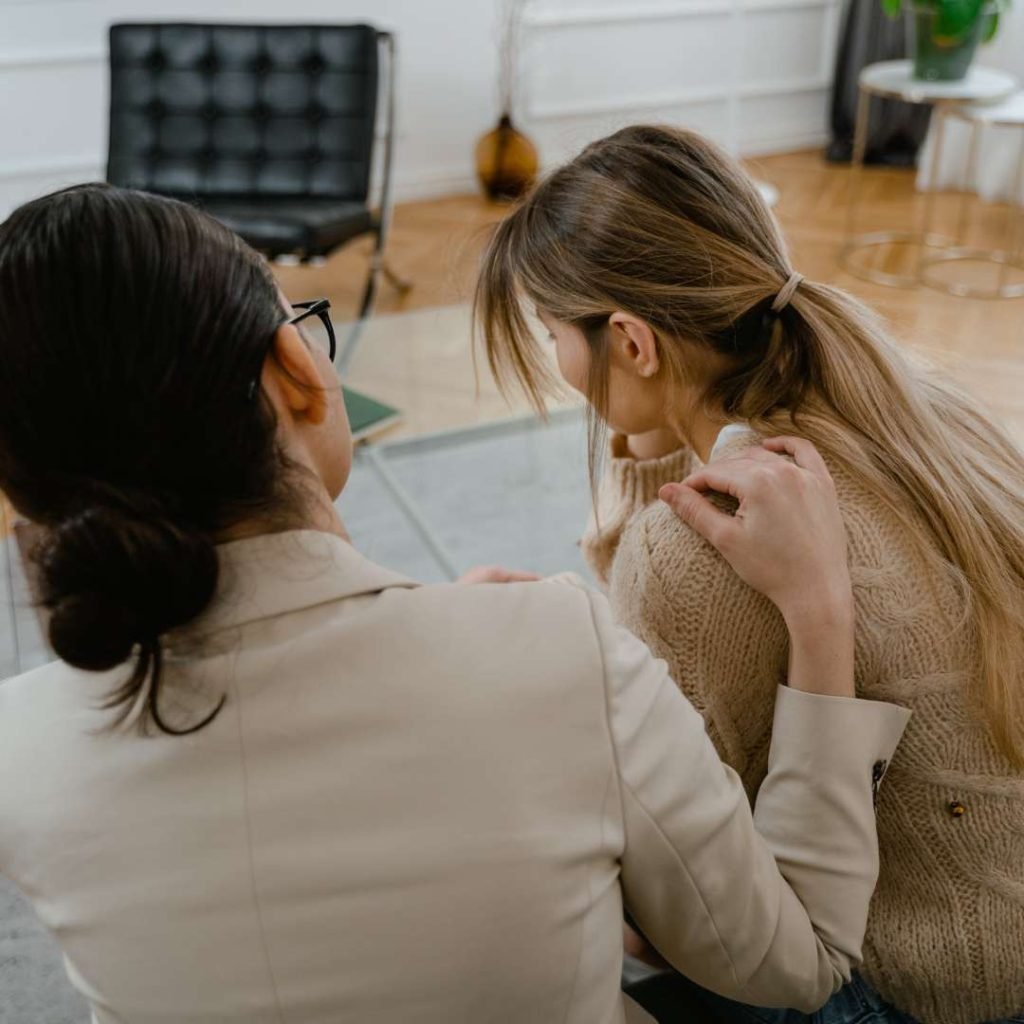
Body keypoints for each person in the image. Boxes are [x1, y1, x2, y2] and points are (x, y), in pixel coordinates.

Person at [0, 183, 907, 1024]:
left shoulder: (20, 752)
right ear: (296, 367)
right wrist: (820, 612)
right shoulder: (556, 647)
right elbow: (801, 960)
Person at [475, 123, 1024, 1024]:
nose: (557, 363)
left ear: (630, 341)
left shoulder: (694, 550)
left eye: (550, 332)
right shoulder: (913, 406)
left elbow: (686, 908)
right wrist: (660, 438)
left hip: (926, 993)